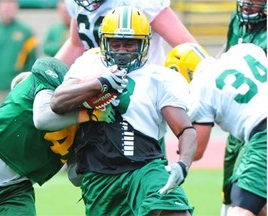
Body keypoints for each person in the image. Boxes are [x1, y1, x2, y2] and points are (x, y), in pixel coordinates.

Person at [51, 6, 196, 215]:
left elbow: (185, 129)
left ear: (144, 44)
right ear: (103, 42)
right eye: (115, 43)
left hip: (145, 168)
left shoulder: (159, 78)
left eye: (129, 44)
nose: (121, 51)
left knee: (175, 210)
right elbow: (58, 102)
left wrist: (183, 164)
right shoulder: (90, 62)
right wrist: (99, 84)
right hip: (99, 174)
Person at [0, 56, 116, 216]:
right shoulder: (53, 76)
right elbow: (42, 118)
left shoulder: (99, 117)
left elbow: (74, 177)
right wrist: (88, 114)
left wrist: (95, 161)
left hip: (14, 190)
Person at [165, 42, 267, 216]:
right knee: (259, 204)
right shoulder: (244, 50)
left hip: (263, 131)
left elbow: (198, 150)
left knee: (240, 208)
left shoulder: (200, 88)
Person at [216, 0, 267, 214]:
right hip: (239, 123)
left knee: (248, 193)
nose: (248, 5)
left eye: (256, 1)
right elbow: (226, 53)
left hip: (260, 124)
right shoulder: (236, 21)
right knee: (230, 192)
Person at [55, 0, 198, 67]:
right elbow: (76, 44)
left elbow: (187, 47)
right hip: (96, 86)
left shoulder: (141, 2)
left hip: (141, 89)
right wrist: (45, 74)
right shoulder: (76, 3)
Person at [0, 0, 38, 126]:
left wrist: (28, 88)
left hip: (16, 90)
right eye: (4, 3)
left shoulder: (26, 32)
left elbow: (31, 63)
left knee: (14, 126)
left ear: (17, 6)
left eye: (11, 4)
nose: (8, 7)